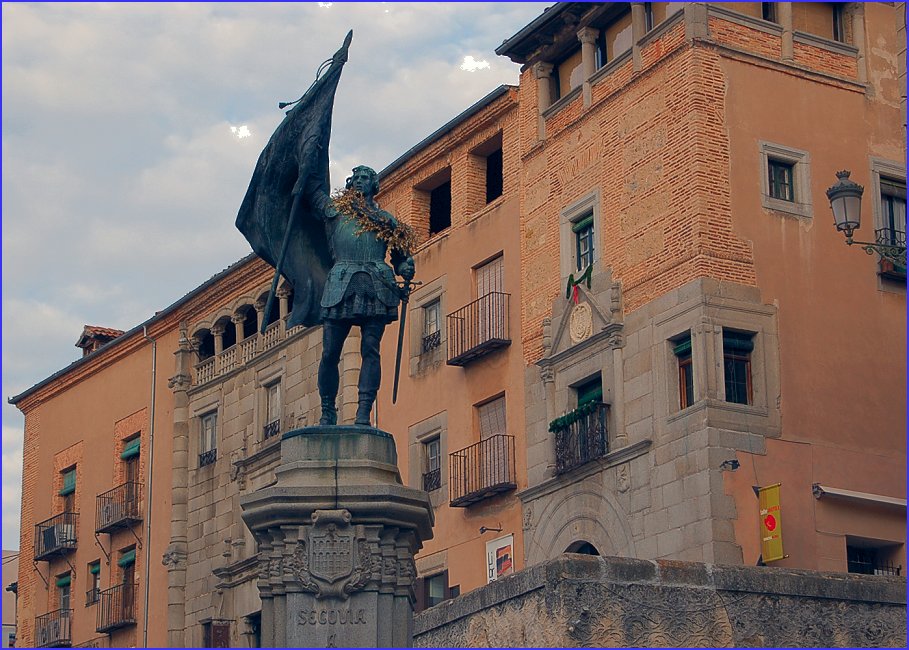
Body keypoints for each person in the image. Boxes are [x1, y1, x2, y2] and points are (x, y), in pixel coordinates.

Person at [308, 165, 415, 426]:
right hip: (341, 283)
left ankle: (363, 412)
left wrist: (406, 268)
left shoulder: (387, 221)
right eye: (354, 178)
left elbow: (401, 259)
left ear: (373, 185)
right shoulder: (333, 212)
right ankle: (327, 409)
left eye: (364, 178)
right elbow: (311, 194)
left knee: (370, 349)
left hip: (376, 285)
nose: (358, 181)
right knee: (330, 352)